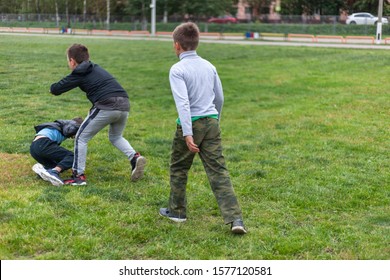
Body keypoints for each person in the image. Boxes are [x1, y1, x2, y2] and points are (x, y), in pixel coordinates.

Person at [159, 22, 247, 234]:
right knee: (219, 171)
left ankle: (177, 211)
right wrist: (215, 119)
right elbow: (220, 97)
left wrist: (188, 133)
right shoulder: (209, 66)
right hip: (211, 121)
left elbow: (183, 104)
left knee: (179, 167)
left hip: (191, 124)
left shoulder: (177, 69)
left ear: (177, 45)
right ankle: (236, 219)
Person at [50, 43, 146, 186]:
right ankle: (134, 157)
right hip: (124, 104)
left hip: (107, 104)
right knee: (116, 137)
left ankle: (78, 176)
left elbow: (56, 89)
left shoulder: (79, 72)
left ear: (72, 61)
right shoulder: (96, 67)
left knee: (81, 138)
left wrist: (52, 88)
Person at [30, 117, 83, 187]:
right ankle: (54, 172)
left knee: (58, 164)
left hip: (34, 148)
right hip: (43, 143)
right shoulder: (72, 125)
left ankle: (43, 171)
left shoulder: (61, 126)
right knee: (73, 157)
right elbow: (73, 129)